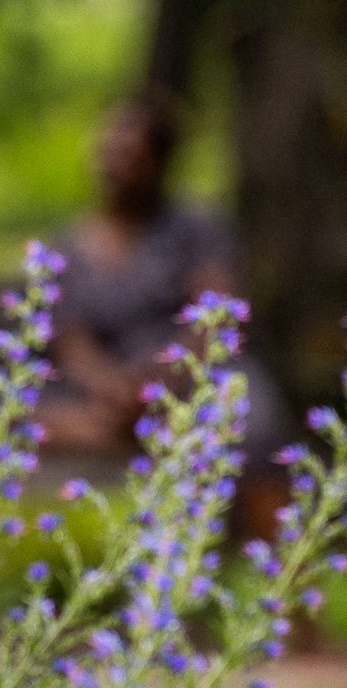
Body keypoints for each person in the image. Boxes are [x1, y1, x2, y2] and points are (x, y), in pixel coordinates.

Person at [45, 91, 261, 448]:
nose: (114, 168)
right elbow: (70, 339)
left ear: (160, 165)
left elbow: (215, 321)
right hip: (97, 395)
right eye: (108, 154)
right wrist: (111, 388)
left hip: (191, 382)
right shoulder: (68, 243)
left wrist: (158, 383)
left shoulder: (195, 231)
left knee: (243, 422)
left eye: (131, 158)